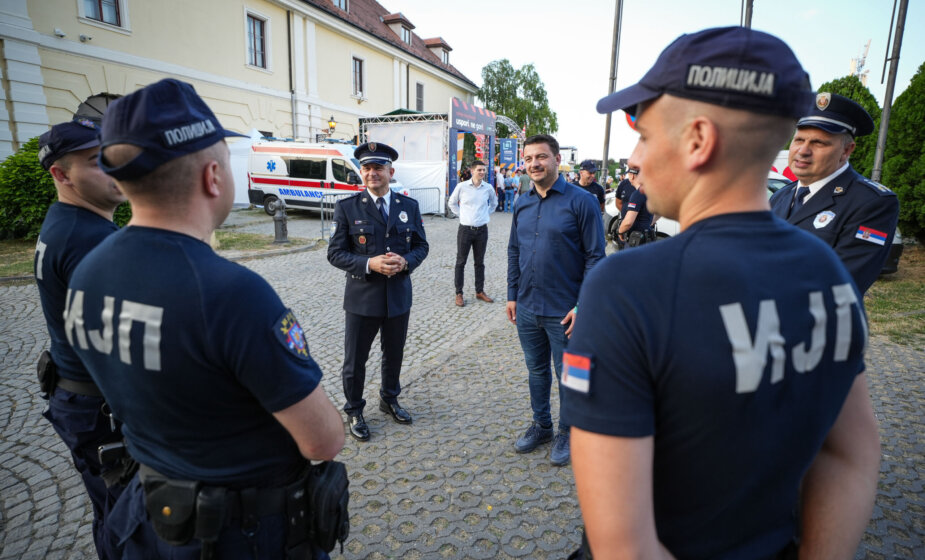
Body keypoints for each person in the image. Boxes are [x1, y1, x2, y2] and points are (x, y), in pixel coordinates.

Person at [564, 27, 880, 559]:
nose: (634, 159)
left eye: (642, 134)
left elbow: (626, 547)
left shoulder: (626, 288)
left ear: (698, 140)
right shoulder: (826, 269)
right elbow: (850, 453)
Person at [66, 78, 345, 559]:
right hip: (243, 533)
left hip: (150, 518)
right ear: (213, 176)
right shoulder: (231, 294)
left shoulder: (87, 271)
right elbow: (323, 441)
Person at [34, 118, 128, 560]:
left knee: (109, 511)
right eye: (96, 161)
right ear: (61, 174)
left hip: (78, 400)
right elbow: (128, 346)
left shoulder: (65, 222)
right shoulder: (90, 240)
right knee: (129, 521)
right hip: (100, 412)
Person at [507, 134, 606, 466]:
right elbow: (514, 251)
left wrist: (583, 305)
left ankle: (569, 431)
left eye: (541, 157)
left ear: (556, 159)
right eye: (529, 158)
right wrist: (511, 295)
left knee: (570, 375)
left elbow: (596, 257)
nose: (534, 164)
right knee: (537, 371)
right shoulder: (521, 202)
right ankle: (542, 426)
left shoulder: (582, 202)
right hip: (528, 307)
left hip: (566, 311)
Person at [328, 141, 429, 441]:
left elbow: (421, 245)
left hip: (397, 296)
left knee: (394, 354)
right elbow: (335, 254)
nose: (372, 173)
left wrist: (406, 261)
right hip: (362, 298)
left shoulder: (408, 206)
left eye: (378, 168)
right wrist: (369, 263)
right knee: (356, 359)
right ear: (361, 172)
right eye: (367, 168)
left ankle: (389, 399)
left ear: (391, 171)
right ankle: (355, 409)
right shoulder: (347, 208)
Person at [769, 92, 899, 294]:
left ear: (847, 150)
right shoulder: (780, 197)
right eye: (799, 140)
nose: (803, 150)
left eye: (818, 143)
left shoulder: (871, 203)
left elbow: (841, 284)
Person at [448, 160, 498, 307]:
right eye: (479, 170)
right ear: (472, 171)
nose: (482, 172)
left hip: (482, 229)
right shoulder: (462, 187)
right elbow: (452, 203)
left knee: (479, 262)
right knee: (460, 262)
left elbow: (494, 204)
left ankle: (479, 291)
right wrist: (462, 215)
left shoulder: (488, 188)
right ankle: (459, 293)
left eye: (483, 170)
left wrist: (485, 215)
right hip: (465, 229)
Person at [617, 174, 658, 248]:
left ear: (632, 176)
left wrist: (620, 231)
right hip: (646, 237)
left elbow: (628, 222)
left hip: (636, 240)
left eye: (628, 174)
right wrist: (648, 222)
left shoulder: (637, 194)